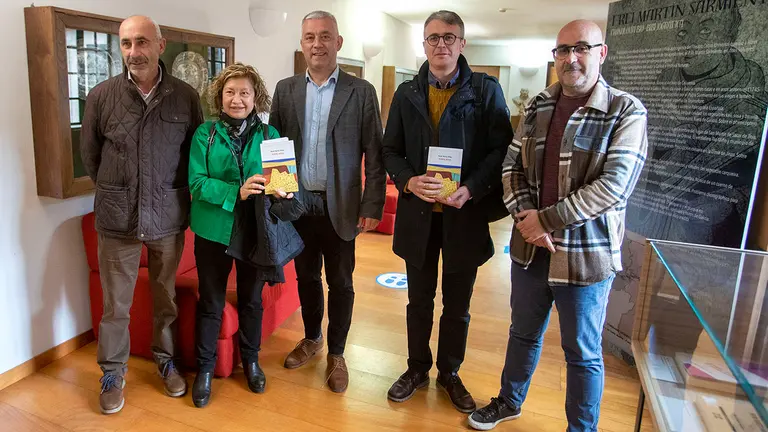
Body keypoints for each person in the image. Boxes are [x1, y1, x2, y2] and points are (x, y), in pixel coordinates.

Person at [468, 20, 648, 431]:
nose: (571, 58)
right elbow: (511, 167)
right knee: (522, 333)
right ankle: (509, 401)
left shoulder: (626, 111)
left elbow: (614, 187)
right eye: (563, 50)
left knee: (582, 352)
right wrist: (526, 218)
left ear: (601, 52)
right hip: (530, 251)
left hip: (586, 257)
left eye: (581, 48)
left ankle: (581, 428)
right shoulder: (539, 105)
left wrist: (545, 220)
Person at [382, 10, 513, 413]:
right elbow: (390, 150)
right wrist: (407, 180)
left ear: (462, 43)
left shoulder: (486, 91)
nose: (441, 45)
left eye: (449, 37)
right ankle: (417, 367)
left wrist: (471, 188)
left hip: (463, 216)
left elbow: (501, 150)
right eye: (433, 38)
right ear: (424, 44)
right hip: (419, 217)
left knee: (458, 306)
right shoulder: (406, 94)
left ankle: (450, 372)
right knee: (418, 302)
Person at [80, 15, 203, 415]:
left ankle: (165, 360)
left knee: (165, 297)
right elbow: (92, 158)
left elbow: (192, 156)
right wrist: (121, 191)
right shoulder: (101, 96)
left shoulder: (185, 97)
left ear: (160, 45)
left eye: (142, 42)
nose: (134, 52)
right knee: (116, 305)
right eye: (127, 43)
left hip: (167, 216)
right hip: (117, 219)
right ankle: (112, 371)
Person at [269, 10, 386, 393]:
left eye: (324, 36)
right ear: (302, 44)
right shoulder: (285, 89)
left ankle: (337, 352)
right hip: (298, 205)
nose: (316, 44)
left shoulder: (361, 91)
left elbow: (375, 152)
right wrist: (278, 196)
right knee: (305, 278)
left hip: (342, 206)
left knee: (341, 282)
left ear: (337, 42)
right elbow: (275, 147)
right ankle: (312, 338)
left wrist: (371, 207)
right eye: (309, 37)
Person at [187, 62, 284, 408]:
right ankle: (205, 369)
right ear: (220, 96)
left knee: (251, 300)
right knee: (211, 302)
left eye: (244, 92)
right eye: (230, 92)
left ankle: (252, 361)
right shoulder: (205, 134)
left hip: (255, 232)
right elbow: (196, 183)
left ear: (256, 96)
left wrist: (282, 190)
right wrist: (236, 192)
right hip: (213, 231)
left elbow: (282, 181)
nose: (237, 100)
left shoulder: (270, 136)